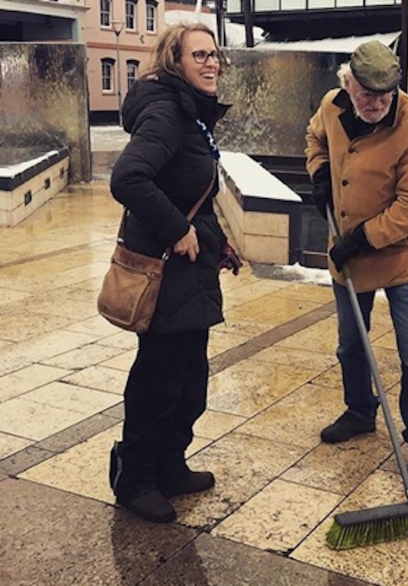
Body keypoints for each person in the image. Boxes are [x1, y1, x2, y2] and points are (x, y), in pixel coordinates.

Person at [108, 23, 242, 523]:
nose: (211, 63)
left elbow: (190, 195)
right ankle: (135, 478)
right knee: (160, 380)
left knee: (190, 379)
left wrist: (215, 243)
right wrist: (175, 231)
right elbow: (128, 178)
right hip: (165, 275)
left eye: (214, 55)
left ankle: (169, 464)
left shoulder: (188, 112)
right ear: (176, 62)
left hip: (189, 273)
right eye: (199, 55)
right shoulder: (166, 111)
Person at [305, 41, 408, 489]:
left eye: (385, 95)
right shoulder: (332, 105)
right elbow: (315, 137)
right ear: (348, 84)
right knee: (350, 345)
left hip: (399, 254)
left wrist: (361, 239)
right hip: (348, 252)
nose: (377, 104)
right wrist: (319, 172)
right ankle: (360, 412)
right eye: (367, 94)